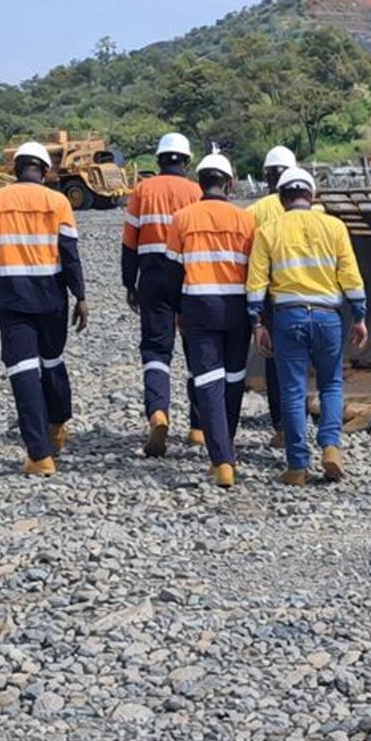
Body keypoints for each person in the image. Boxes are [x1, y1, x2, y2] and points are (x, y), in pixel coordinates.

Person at [245, 167, 369, 486]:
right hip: (329, 317)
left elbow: (256, 283)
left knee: (293, 390)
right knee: (330, 384)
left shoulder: (268, 230)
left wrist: (257, 322)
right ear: (312, 196)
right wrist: (359, 315)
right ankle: (330, 447)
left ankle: (298, 466)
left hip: (288, 317)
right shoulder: (334, 226)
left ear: (281, 197)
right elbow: (350, 275)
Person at [0, 141, 88, 477]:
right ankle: (57, 424)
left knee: (22, 371)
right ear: (46, 170)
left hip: (11, 297)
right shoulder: (58, 201)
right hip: (51, 296)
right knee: (52, 361)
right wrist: (79, 295)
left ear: (15, 168)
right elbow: (69, 254)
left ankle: (39, 456)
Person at [166, 151, 256, 488]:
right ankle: (226, 443)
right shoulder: (245, 219)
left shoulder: (182, 218)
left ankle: (222, 461)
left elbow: (171, 272)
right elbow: (255, 270)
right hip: (237, 306)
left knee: (207, 381)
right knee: (233, 379)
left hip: (198, 305)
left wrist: (177, 309)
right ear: (230, 183)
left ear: (198, 183)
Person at [122, 132, 203, 456]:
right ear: (185, 161)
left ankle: (158, 412)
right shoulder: (196, 191)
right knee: (196, 349)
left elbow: (130, 241)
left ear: (158, 161)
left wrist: (130, 283)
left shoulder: (142, 190)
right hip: (188, 275)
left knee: (156, 349)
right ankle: (198, 427)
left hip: (153, 274)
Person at [247, 145, 298, 449]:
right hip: (311, 294)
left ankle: (281, 426)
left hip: (270, 295)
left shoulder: (254, 211)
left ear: (266, 176)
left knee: (274, 360)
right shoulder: (317, 210)